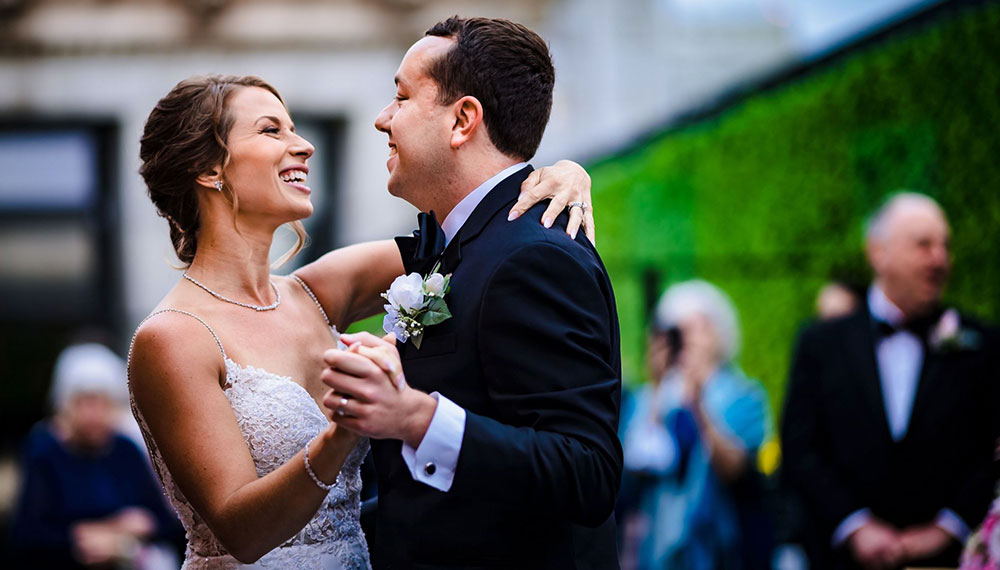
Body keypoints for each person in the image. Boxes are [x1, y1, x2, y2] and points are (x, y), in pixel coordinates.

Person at [127, 73, 595, 569]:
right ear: (207, 168)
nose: (303, 145)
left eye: (294, 129)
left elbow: (478, 239)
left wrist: (560, 174)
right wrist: (347, 427)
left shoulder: (316, 292)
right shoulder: (174, 336)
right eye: (271, 131)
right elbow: (241, 531)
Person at [319, 17, 622, 569]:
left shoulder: (536, 258)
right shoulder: (453, 244)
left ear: (463, 120)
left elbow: (588, 471)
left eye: (402, 97)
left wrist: (414, 417)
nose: (383, 118)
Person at [781, 192, 998, 569]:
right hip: (843, 560)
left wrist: (947, 527)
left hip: (946, 560)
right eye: (923, 245)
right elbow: (801, 447)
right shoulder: (820, 343)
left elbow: (989, 449)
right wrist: (854, 526)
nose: (939, 259)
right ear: (877, 253)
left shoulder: (980, 342)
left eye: (945, 245)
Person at [619, 280, 772, 570]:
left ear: (720, 334)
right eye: (677, 330)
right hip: (655, 552)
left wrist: (697, 403)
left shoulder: (744, 395)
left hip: (723, 548)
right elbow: (630, 469)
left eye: (697, 327)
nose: (686, 339)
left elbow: (737, 470)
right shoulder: (647, 398)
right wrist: (657, 388)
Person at [10, 342, 180, 570]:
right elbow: (29, 533)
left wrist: (125, 536)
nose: (94, 414)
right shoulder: (44, 450)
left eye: (103, 403)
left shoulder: (125, 449)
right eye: (84, 403)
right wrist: (97, 536)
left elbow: (165, 521)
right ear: (64, 405)